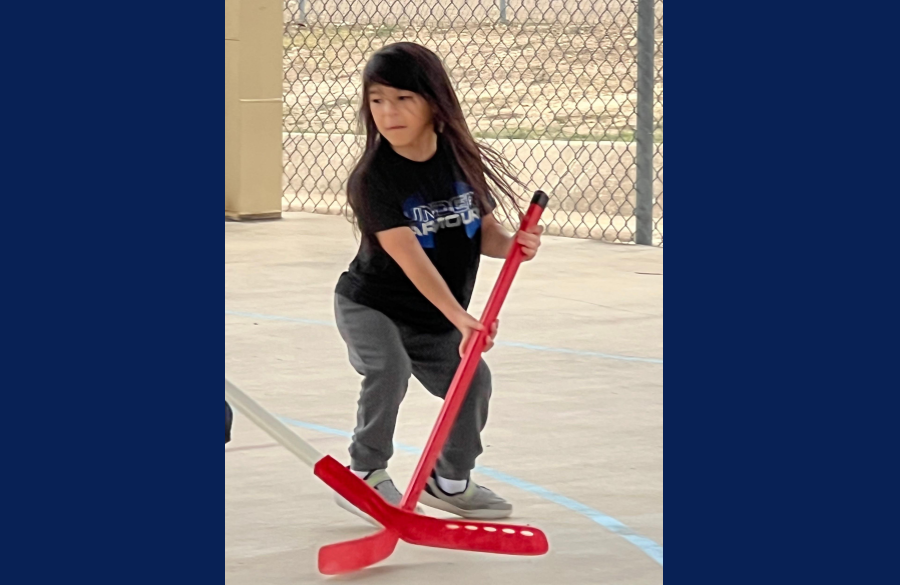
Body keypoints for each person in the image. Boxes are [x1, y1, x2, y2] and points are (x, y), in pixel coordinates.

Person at [333, 42, 543, 521]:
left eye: (403, 98)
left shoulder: (458, 160)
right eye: (377, 100)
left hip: (433, 316)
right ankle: (364, 473)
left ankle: (448, 482)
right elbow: (410, 258)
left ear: (434, 101)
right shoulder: (374, 178)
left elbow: (484, 231)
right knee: (388, 369)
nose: (389, 112)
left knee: (472, 384)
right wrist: (462, 319)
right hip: (373, 304)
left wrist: (515, 246)